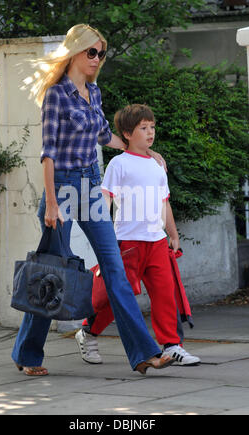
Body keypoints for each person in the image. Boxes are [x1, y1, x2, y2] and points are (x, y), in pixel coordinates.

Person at [11, 24, 175, 376]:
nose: (97, 59)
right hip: (64, 189)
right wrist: (52, 203)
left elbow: (104, 135)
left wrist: (145, 150)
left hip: (91, 187)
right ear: (75, 52)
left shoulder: (94, 92)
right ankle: (28, 354)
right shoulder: (57, 95)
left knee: (115, 269)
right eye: (92, 52)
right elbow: (49, 153)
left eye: (101, 53)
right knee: (51, 275)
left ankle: (144, 353)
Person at [76, 104, 201, 367]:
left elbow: (164, 202)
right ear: (127, 133)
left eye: (152, 127)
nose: (150, 132)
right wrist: (104, 235)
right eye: (143, 128)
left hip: (156, 241)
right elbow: (106, 199)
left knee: (165, 294)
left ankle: (171, 346)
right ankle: (88, 332)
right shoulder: (118, 164)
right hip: (127, 242)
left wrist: (173, 234)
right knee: (118, 295)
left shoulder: (157, 164)